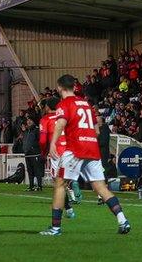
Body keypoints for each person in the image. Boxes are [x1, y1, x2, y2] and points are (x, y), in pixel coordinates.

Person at [41, 75, 130, 236]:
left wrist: (53, 143)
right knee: (101, 187)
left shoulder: (64, 104)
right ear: (74, 87)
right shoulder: (86, 104)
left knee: (60, 184)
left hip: (75, 149)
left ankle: (55, 228)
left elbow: (60, 124)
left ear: (60, 88)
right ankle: (123, 220)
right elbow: (96, 131)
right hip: (92, 148)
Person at [22, 117, 42, 191]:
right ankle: (31, 185)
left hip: (35, 153)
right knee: (30, 171)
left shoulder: (36, 130)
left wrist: (34, 148)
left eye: (30, 120)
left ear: (33, 121)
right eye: (28, 120)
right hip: (27, 153)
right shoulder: (26, 131)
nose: (29, 121)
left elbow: (40, 141)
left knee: (37, 170)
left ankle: (39, 186)